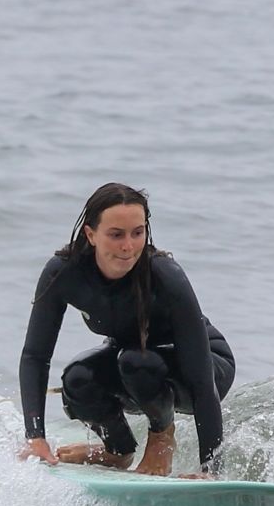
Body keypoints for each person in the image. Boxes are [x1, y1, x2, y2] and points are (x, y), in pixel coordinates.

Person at [19, 182, 235, 476]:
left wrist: (211, 469)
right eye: (116, 235)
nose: (129, 246)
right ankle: (117, 451)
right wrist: (35, 437)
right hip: (133, 365)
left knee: (136, 362)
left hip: (205, 366)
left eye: (138, 232)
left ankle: (161, 440)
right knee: (78, 379)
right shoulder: (64, 273)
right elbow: (35, 356)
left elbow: (201, 378)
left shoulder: (165, 276)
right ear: (90, 234)